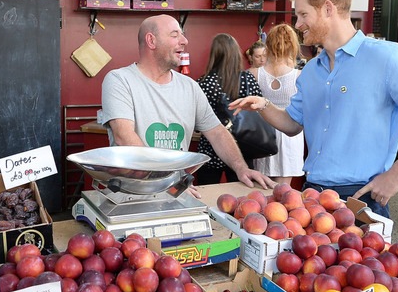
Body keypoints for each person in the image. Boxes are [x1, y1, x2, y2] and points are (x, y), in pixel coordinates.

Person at [229, 0, 398, 218]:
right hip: (312, 196)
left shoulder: (387, 58)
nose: (297, 24)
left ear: (328, 9)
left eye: (303, 14)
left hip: (361, 196)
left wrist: (397, 175)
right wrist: (263, 104)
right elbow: (292, 125)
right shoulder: (310, 71)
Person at [100, 15, 273, 197]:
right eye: (175, 35)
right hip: (131, 193)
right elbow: (123, 136)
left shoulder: (190, 86)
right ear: (151, 41)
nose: (184, 41)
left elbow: (217, 132)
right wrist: (167, 181)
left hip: (175, 192)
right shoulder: (120, 80)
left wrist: (241, 168)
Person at [194, 33, 264, 185]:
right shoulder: (248, 79)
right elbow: (260, 110)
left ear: (214, 55)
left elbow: (197, 121)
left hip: (210, 148)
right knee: (242, 199)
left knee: (207, 197)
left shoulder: (204, 82)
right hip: (243, 147)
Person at [252, 24, 305, 186]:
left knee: (259, 191)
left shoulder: (253, 73)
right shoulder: (299, 76)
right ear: (293, 46)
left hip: (262, 134)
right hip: (291, 134)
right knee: (284, 193)